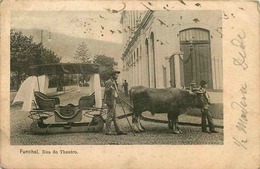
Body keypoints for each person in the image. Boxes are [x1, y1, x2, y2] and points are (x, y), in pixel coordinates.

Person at [104, 70, 127, 135]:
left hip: (114, 100)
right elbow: (106, 91)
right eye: (116, 75)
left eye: (117, 75)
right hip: (110, 101)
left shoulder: (114, 82)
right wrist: (111, 87)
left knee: (115, 117)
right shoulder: (109, 82)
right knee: (110, 116)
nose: (117, 76)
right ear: (112, 75)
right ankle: (107, 131)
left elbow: (114, 92)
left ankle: (119, 130)